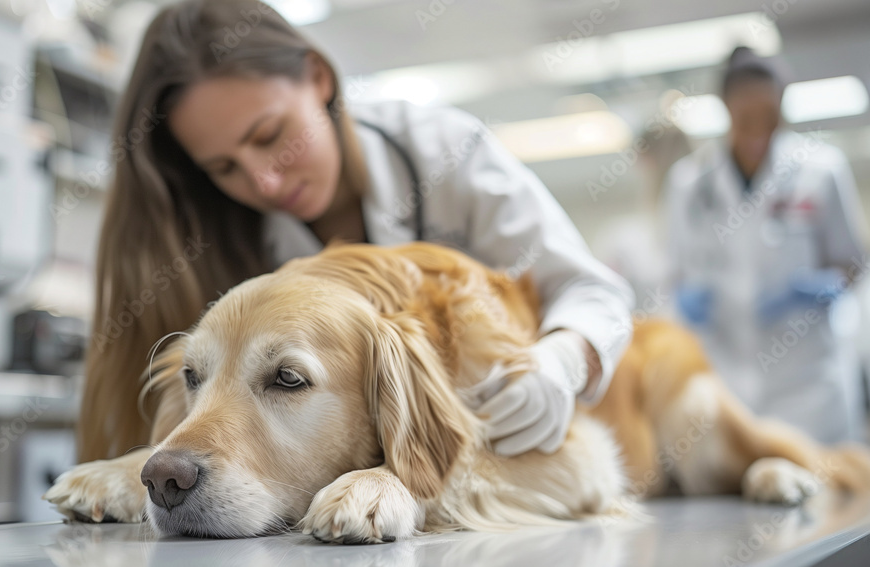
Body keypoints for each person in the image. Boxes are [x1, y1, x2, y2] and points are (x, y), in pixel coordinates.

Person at [77, 0, 634, 463]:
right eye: (224, 168)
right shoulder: (223, 238)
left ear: (319, 79)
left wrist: (560, 363)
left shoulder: (445, 150)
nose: (265, 182)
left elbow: (590, 290)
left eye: (271, 135)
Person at [664, 46, 869, 444]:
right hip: (724, 375)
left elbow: (854, 263)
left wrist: (824, 285)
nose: (758, 131)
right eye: (746, 120)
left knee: (818, 487)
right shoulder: (689, 183)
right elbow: (672, 274)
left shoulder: (821, 170)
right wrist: (683, 302)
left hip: (807, 381)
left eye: (769, 119)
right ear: (725, 110)